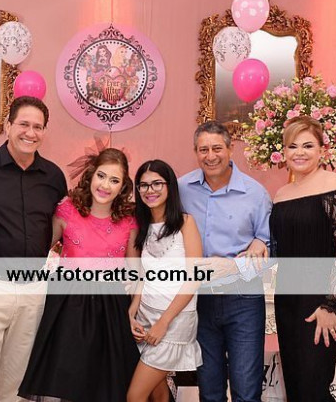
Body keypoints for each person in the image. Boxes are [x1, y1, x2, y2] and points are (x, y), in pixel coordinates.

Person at [0, 96, 67, 402]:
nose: (30, 133)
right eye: (23, 124)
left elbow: (61, 226)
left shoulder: (53, 176)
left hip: (34, 288)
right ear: (8, 126)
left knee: (17, 384)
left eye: (38, 127)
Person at [18, 148, 140, 402]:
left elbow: (136, 271)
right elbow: (38, 249)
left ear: (122, 186)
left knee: (105, 382)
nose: (105, 185)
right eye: (101, 176)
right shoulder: (67, 211)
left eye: (114, 180)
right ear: (91, 175)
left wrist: (133, 309)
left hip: (110, 306)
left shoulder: (128, 221)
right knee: (67, 378)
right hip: (67, 305)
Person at [178, 121, 272, 402]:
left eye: (217, 148)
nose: (210, 156)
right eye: (203, 149)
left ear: (231, 150)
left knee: (246, 390)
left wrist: (260, 243)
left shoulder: (255, 193)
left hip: (243, 299)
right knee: (209, 390)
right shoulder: (182, 188)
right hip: (199, 299)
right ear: (195, 152)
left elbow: (270, 246)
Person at [270, 116, 336, 402]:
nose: (300, 152)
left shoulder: (334, 184)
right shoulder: (281, 194)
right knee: (296, 386)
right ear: (284, 151)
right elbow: (280, 248)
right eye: (292, 146)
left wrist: (330, 304)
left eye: (308, 145)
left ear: (322, 150)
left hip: (323, 299)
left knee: (313, 387)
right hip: (288, 298)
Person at [127, 160, 203, 402]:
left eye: (157, 183)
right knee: (157, 393)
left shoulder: (185, 223)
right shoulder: (141, 227)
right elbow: (142, 275)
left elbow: (193, 279)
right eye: (143, 185)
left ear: (170, 186)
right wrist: (132, 311)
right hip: (145, 315)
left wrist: (164, 322)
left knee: (135, 396)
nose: (150, 190)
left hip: (174, 320)